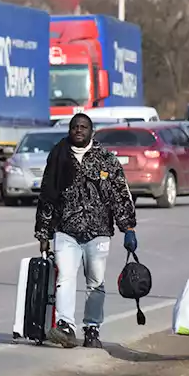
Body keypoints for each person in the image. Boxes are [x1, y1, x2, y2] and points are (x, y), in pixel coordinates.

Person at [34, 113, 138, 349]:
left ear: (91, 131)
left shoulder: (105, 159)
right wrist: (43, 233)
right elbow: (47, 197)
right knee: (65, 278)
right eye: (74, 127)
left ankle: (92, 329)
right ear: (69, 130)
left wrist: (128, 228)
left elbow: (120, 195)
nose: (78, 130)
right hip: (66, 231)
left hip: (98, 231)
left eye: (83, 127)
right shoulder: (59, 157)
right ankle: (65, 327)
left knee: (96, 283)